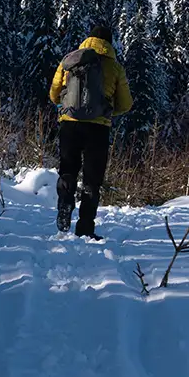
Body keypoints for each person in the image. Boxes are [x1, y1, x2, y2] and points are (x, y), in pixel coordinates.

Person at [48, 21, 132, 238]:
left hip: (69, 124)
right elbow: (126, 104)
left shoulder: (70, 60)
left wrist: (67, 106)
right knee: (92, 180)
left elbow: (54, 94)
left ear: (89, 39)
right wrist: (106, 111)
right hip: (98, 129)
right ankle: (85, 228)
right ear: (110, 44)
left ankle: (65, 203)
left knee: (68, 169)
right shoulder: (115, 67)